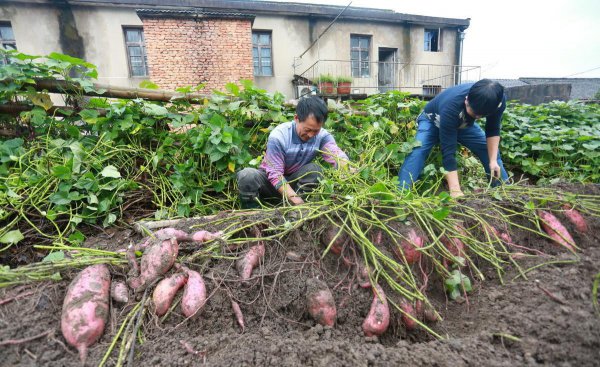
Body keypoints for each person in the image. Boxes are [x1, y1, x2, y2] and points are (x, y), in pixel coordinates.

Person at [398, 79, 509, 197]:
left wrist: (492, 161)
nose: (466, 104)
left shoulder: (497, 101)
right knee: (418, 150)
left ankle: (505, 193)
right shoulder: (451, 105)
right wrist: (455, 190)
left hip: (463, 124)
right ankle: (400, 194)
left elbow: (492, 129)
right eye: (467, 104)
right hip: (432, 120)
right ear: (467, 97)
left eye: (473, 113)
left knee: (489, 151)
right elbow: (448, 152)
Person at [237, 96, 350, 208]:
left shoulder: (322, 136)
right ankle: (252, 214)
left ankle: (300, 210)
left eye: (315, 130)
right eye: (307, 130)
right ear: (296, 118)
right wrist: (295, 199)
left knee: (314, 170)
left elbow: (336, 155)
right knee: (247, 175)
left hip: (294, 182)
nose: (311, 135)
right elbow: (275, 174)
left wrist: (347, 168)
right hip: (270, 184)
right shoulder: (279, 136)